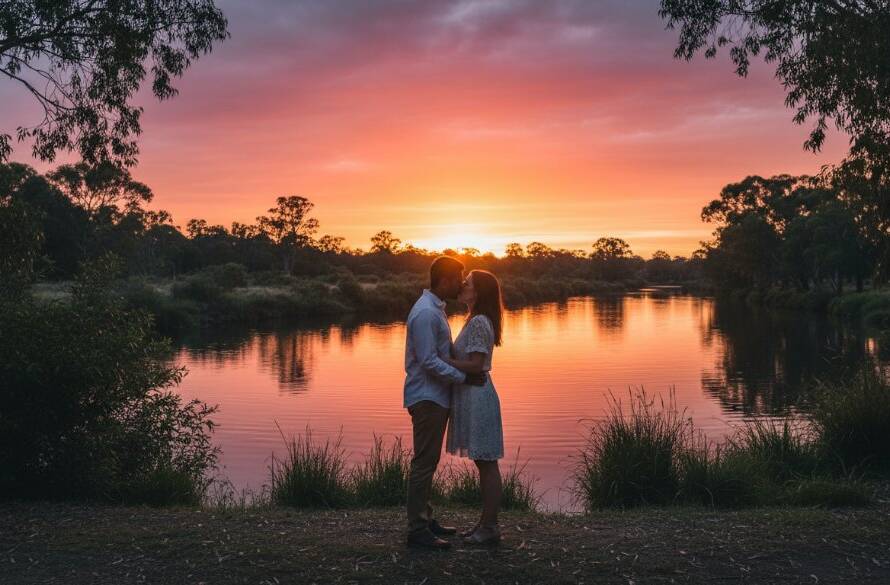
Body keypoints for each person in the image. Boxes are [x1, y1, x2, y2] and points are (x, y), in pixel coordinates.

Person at [404, 256, 485, 549]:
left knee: (429, 461)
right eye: (459, 277)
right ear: (446, 279)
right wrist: (462, 378)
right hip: (427, 397)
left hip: (435, 396)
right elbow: (427, 361)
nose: (461, 283)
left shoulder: (434, 309)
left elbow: (437, 355)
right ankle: (417, 530)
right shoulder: (426, 313)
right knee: (424, 463)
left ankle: (425, 518)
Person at [445, 269, 505, 545]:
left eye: (467, 283)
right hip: (471, 395)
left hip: (479, 397)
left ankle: (490, 527)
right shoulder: (474, 319)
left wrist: (441, 360)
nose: (462, 285)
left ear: (478, 291)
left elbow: (477, 365)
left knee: (487, 462)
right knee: (484, 462)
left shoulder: (480, 322)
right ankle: (485, 524)